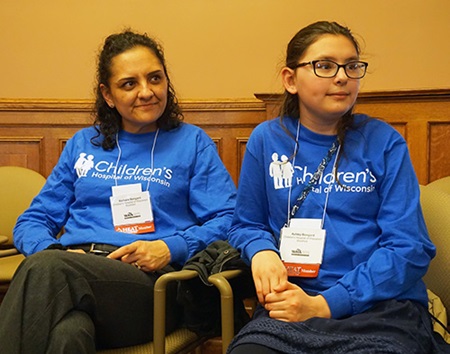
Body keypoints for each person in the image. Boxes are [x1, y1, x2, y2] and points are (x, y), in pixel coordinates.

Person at [0, 30, 236, 353]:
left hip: (151, 285)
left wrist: (170, 247)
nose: (147, 92)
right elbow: (33, 220)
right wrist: (56, 251)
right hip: (72, 272)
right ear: (108, 95)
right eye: (129, 84)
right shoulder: (84, 145)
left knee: (46, 268)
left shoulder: (191, 143)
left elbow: (228, 219)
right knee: (68, 335)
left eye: (155, 78)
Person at [227, 21, 447, 353]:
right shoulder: (266, 139)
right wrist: (261, 252)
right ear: (290, 79)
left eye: (352, 66)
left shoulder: (384, 142)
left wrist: (327, 304)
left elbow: (409, 249)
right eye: (325, 66)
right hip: (291, 302)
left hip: (378, 306)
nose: (342, 76)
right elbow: (246, 223)